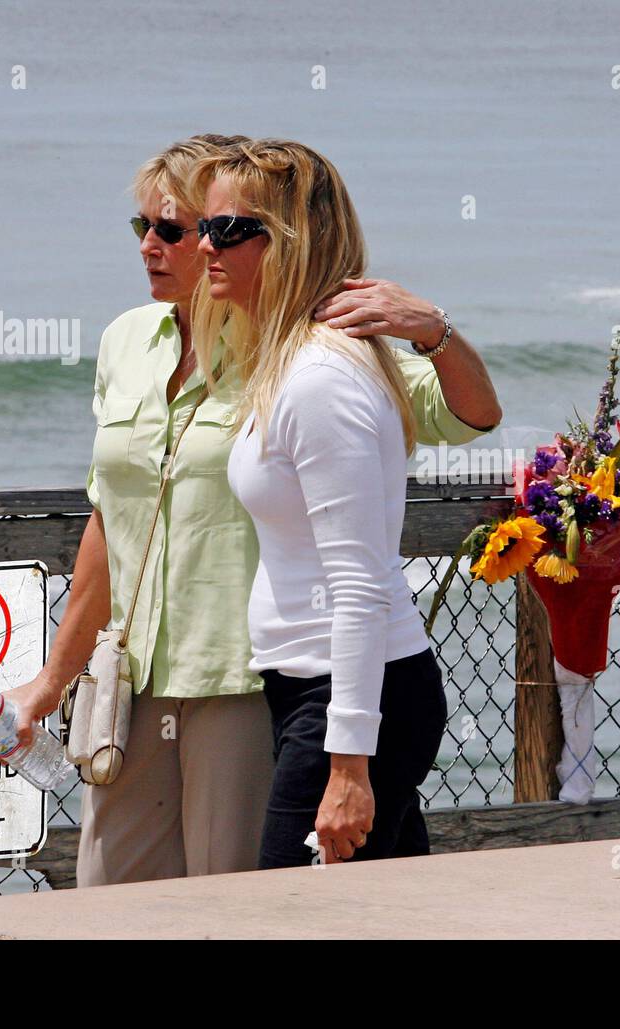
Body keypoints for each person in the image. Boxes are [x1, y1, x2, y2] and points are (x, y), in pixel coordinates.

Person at [4, 134, 501, 885]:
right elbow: (111, 517)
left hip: (266, 684)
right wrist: (51, 680)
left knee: (266, 903)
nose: (167, 245)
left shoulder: (309, 363)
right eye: (153, 227)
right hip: (155, 678)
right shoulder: (132, 343)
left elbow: (467, 422)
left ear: (285, 241)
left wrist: (432, 326)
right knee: (126, 902)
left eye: (190, 227)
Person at [190, 139, 462, 867]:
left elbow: (360, 584)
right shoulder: (290, 365)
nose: (203, 246)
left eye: (227, 230)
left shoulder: (318, 381)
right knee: (388, 916)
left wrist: (348, 767)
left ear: (286, 243)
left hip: (348, 700)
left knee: (290, 916)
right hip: (320, 692)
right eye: (201, 226)